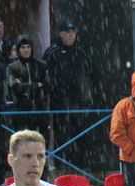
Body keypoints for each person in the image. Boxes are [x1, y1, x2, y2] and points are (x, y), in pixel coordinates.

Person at [43, 20, 91, 170]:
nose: (70, 36)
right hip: (60, 102)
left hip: (80, 103)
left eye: (73, 32)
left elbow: (89, 76)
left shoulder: (81, 53)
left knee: (80, 136)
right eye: (67, 33)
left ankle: (79, 170)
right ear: (61, 34)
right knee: (62, 138)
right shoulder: (52, 52)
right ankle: (62, 170)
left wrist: (87, 97)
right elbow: (46, 77)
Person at [6, 35, 50, 139]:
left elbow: (47, 86)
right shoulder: (12, 67)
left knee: (42, 142)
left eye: (28, 47)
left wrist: (26, 88)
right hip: (22, 112)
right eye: (23, 47)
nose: (26, 50)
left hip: (40, 110)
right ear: (18, 49)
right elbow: (14, 86)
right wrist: (35, 86)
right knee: (23, 143)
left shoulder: (41, 65)